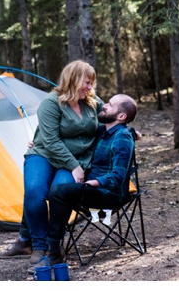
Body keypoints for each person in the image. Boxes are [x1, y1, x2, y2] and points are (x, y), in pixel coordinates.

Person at [0, 60, 103, 269]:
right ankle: (37, 246)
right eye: (87, 83)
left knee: (59, 194)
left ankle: (50, 244)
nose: (90, 88)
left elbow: (112, 115)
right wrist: (74, 166)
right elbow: (51, 141)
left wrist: (127, 130)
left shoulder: (91, 102)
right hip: (45, 154)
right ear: (74, 80)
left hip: (74, 159)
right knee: (35, 191)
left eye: (92, 84)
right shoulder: (51, 103)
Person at [33, 93, 138, 271]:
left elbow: (118, 177)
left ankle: (53, 251)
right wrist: (37, 143)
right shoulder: (102, 131)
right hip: (92, 189)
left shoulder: (122, 139)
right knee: (45, 190)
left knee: (59, 192)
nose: (104, 105)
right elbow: (73, 135)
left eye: (110, 105)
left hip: (109, 194)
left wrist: (93, 183)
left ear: (121, 116)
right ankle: (42, 243)